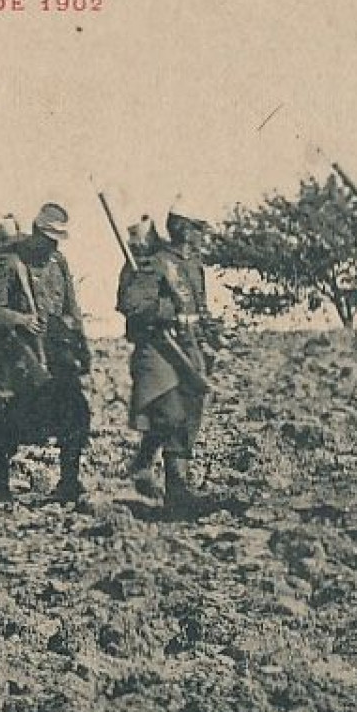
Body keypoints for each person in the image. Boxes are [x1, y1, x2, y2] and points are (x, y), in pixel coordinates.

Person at [0, 203, 93, 503]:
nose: (52, 245)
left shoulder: (58, 262)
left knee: (75, 413)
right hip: (18, 355)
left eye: (57, 239)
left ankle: (69, 482)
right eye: (48, 238)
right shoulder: (9, 262)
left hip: (55, 354)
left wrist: (80, 344)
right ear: (35, 232)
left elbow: (71, 308)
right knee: (8, 420)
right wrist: (21, 319)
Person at [116, 208, 218, 512]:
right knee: (171, 412)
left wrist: (209, 329)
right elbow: (132, 305)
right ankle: (175, 485)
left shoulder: (193, 265)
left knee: (189, 414)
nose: (201, 236)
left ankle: (157, 471)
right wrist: (168, 311)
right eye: (198, 229)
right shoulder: (156, 264)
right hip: (160, 348)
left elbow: (198, 305)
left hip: (189, 347)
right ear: (185, 230)